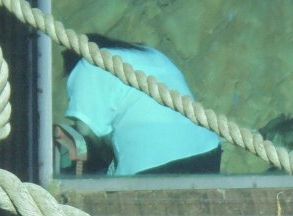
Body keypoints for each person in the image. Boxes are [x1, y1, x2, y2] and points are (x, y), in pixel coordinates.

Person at [61, 35, 222, 175]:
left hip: (153, 166)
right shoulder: (149, 53)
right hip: (208, 153)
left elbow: (85, 132)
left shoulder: (88, 64)